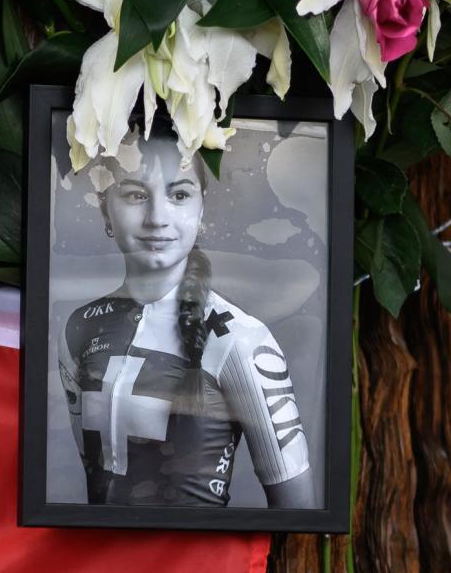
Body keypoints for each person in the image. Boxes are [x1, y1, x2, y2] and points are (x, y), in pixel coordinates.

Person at [57, 116, 316, 508]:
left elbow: (299, 516)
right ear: (105, 210)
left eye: (179, 195)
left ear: (201, 210)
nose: (157, 218)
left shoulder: (243, 340)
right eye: (135, 195)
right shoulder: (78, 327)